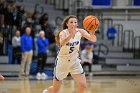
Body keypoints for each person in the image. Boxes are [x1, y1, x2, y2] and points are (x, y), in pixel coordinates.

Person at [43, 15, 97, 93]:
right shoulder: (63, 33)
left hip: (74, 61)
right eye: (71, 22)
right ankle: (47, 91)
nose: (73, 24)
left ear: (77, 24)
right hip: (63, 62)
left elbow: (93, 39)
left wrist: (92, 33)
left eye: (75, 22)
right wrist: (71, 35)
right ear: (67, 24)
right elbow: (62, 42)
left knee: (83, 85)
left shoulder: (80, 31)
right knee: (55, 90)